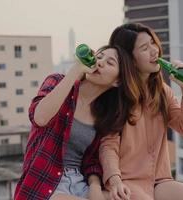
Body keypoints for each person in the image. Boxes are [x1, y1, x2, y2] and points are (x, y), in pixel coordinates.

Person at [99, 23, 183, 200]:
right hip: (127, 180)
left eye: (153, 43)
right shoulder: (116, 93)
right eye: (145, 48)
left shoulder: (162, 90)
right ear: (130, 58)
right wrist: (115, 181)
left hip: (160, 180)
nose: (155, 51)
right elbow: (108, 145)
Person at [14, 45, 134, 200]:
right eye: (99, 56)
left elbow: (92, 161)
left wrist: (95, 187)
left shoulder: (104, 115)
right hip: (45, 183)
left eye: (110, 63)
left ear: (117, 81)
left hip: (79, 182)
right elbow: (40, 118)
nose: (100, 62)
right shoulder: (58, 81)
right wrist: (76, 70)